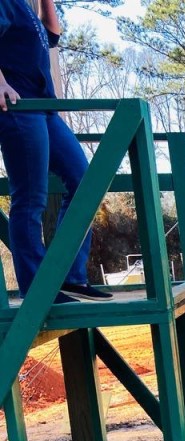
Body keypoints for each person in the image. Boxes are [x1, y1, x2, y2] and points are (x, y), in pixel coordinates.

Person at [0, 0, 113, 303]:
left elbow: (52, 34)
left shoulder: (24, 7)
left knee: (87, 183)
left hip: (45, 108)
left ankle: (69, 276)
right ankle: (38, 291)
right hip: (19, 108)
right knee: (30, 199)